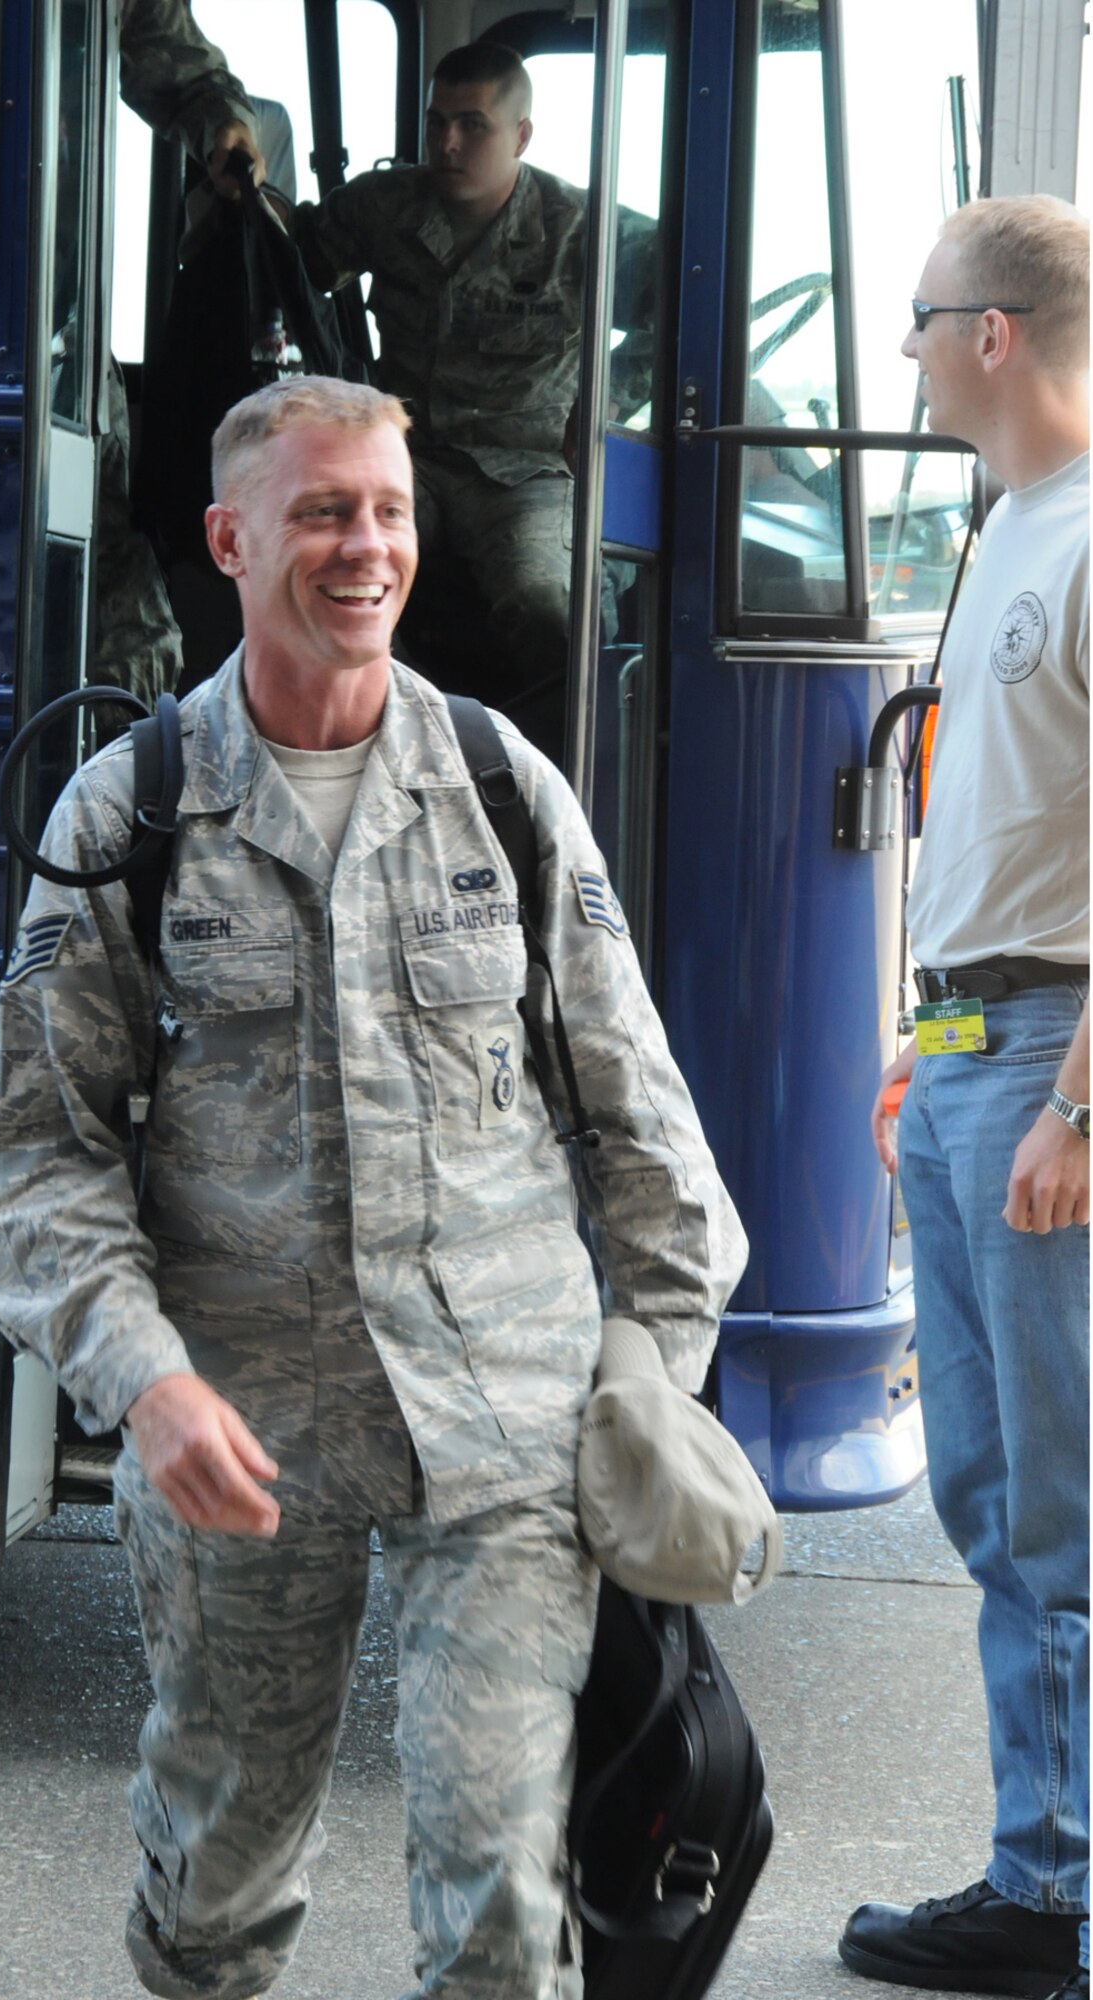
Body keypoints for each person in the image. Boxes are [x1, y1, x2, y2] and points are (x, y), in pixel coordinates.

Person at [0, 374, 746, 2000]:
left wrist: (645, 1385)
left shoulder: (499, 786)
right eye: (323, 509)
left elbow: (645, 1126)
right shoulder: (130, 818)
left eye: (388, 510)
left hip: (507, 1435)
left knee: (496, 1903)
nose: (364, 546)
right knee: (216, 1892)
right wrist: (145, 1382)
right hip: (240, 1442)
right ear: (230, 537)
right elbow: (41, 1163)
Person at [839, 196, 1089, 2000]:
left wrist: (1081, 1105)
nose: (907, 350)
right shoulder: (1009, 525)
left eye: (919, 318)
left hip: (1051, 1068)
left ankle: (1051, 1898)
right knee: (996, 1495)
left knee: (1055, 1514)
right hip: (970, 1060)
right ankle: (1041, 1873)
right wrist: (917, 1054)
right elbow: (1002, 842)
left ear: (991, 332)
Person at [288, 42, 656, 761]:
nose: (447, 143)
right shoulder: (382, 207)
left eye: (472, 124)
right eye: (436, 122)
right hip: (403, 454)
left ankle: (553, 781)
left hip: (525, 467)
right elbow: (290, 268)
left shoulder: (579, 229)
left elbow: (692, 302)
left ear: (520, 135)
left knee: (552, 606)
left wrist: (602, 402)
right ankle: (340, 756)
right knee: (329, 570)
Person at [89, 0, 266, 730]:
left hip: (53, 346)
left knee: (134, 641)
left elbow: (186, 77)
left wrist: (223, 130)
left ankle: (115, 824)